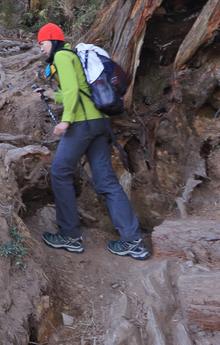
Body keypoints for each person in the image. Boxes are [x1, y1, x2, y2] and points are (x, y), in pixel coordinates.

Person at [36, 23, 149, 260]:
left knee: (59, 171)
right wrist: (50, 95)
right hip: (99, 123)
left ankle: (69, 235)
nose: (41, 49)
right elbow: (74, 91)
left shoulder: (63, 57)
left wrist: (66, 121)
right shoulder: (73, 57)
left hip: (82, 123)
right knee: (106, 180)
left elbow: (72, 93)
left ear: (53, 40)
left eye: (43, 44)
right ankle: (132, 240)